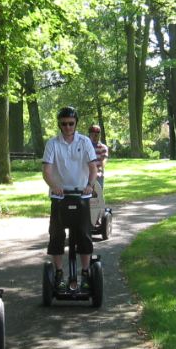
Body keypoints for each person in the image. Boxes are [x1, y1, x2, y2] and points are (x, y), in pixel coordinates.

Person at [42, 107, 98, 293]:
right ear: (59, 124)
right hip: (60, 197)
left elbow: (93, 168)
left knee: (83, 234)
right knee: (57, 235)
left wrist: (90, 184)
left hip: (82, 195)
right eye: (64, 123)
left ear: (76, 124)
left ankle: (85, 272)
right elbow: (47, 171)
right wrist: (54, 185)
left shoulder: (85, 142)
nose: (67, 127)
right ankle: (58, 273)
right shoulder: (52, 144)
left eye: (71, 123)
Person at [87, 124, 109, 189]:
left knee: (98, 195)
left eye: (97, 133)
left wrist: (99, 169)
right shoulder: (85, 146)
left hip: (98, 175)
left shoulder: (103, 147)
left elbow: (103, 161)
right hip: (86, 176)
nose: (95, 136)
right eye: (93, 133)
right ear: (90, 134)